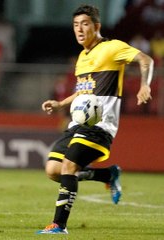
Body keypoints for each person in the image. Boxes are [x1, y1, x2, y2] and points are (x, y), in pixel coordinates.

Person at [38, 4, 153, 234]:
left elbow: (146, 59)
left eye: (84, 24)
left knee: (69, 166)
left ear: (96, 26)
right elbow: (84, 91)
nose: (79, 29)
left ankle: (58, 224)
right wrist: (61, 104)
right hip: (77, 125)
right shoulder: (82, 57)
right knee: (53, 170)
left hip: (100, 125)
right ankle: (107, 174)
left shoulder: (112, 48)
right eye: (75, 25)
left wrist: (144, 85)